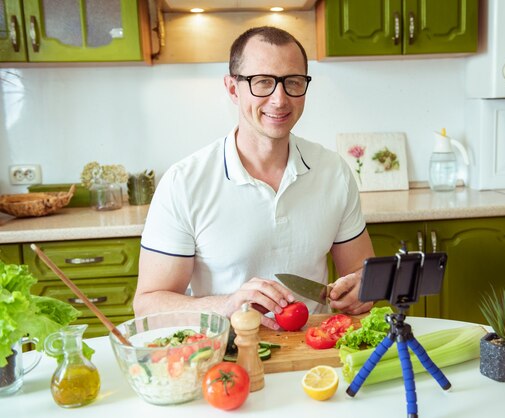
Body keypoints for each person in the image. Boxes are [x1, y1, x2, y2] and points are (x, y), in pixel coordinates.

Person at [133, 26, 375, 330]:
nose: (279, 99)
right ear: (233, 89)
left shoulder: (333, 172)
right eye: (263, 82)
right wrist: (226, 304)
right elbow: (147, 305)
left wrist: (361, 290)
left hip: (314, 349)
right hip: (224, 355)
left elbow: (361, 273)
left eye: (293, 82)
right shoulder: (183, 183)